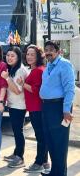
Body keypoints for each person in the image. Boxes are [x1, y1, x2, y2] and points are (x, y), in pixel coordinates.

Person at [40, 41, 75, 176]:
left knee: (59, 142)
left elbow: (69, 89)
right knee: (51, 140)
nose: (48, 52)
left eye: (51, 50)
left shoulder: (65, 65)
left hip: (59, 107)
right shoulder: (48, 65)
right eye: (46, 50)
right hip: (47, 106)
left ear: (58, 51)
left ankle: (60, 173)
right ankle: (54, 172)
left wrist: (66, 110)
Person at [18, 45, 49, 173]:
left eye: (32, 54)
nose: (29, 56)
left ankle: (39, 162)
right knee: (42, 135)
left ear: (38, 57)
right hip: (36, 107)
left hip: (37, 108)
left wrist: (22, 83)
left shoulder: (37, 71)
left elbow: (36, 91)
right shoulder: (38, 69)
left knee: (40, 136)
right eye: (28, 54)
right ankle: (45, 162)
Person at [1, 46, 28, 168]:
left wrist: (7, 78)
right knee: (16, 130)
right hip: (13, 104)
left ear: (18, 58)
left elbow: (17, 90)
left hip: (19, 105)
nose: (9, 58)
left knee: (18, 131)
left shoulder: (20, 71)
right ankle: (16, 153)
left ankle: (20, 157)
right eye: (8, 55)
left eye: (13, 56)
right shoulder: (13, 69)